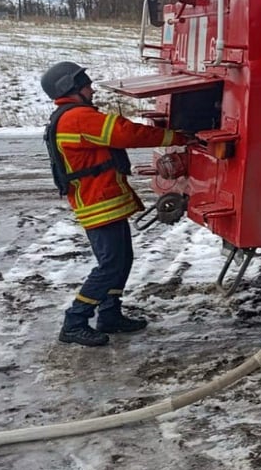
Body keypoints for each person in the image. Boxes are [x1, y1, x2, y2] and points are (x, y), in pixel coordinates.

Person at [40, 61, 192, 347]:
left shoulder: (71, 116)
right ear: (69, 89)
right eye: (84, 83)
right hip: (99, 203)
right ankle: (75, 320)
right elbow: (126, 133)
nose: (91, 88)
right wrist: (176, 136)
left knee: (121, 260)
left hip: (103, 199)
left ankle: (109, 314)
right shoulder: (79, 118)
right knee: (110, 265)